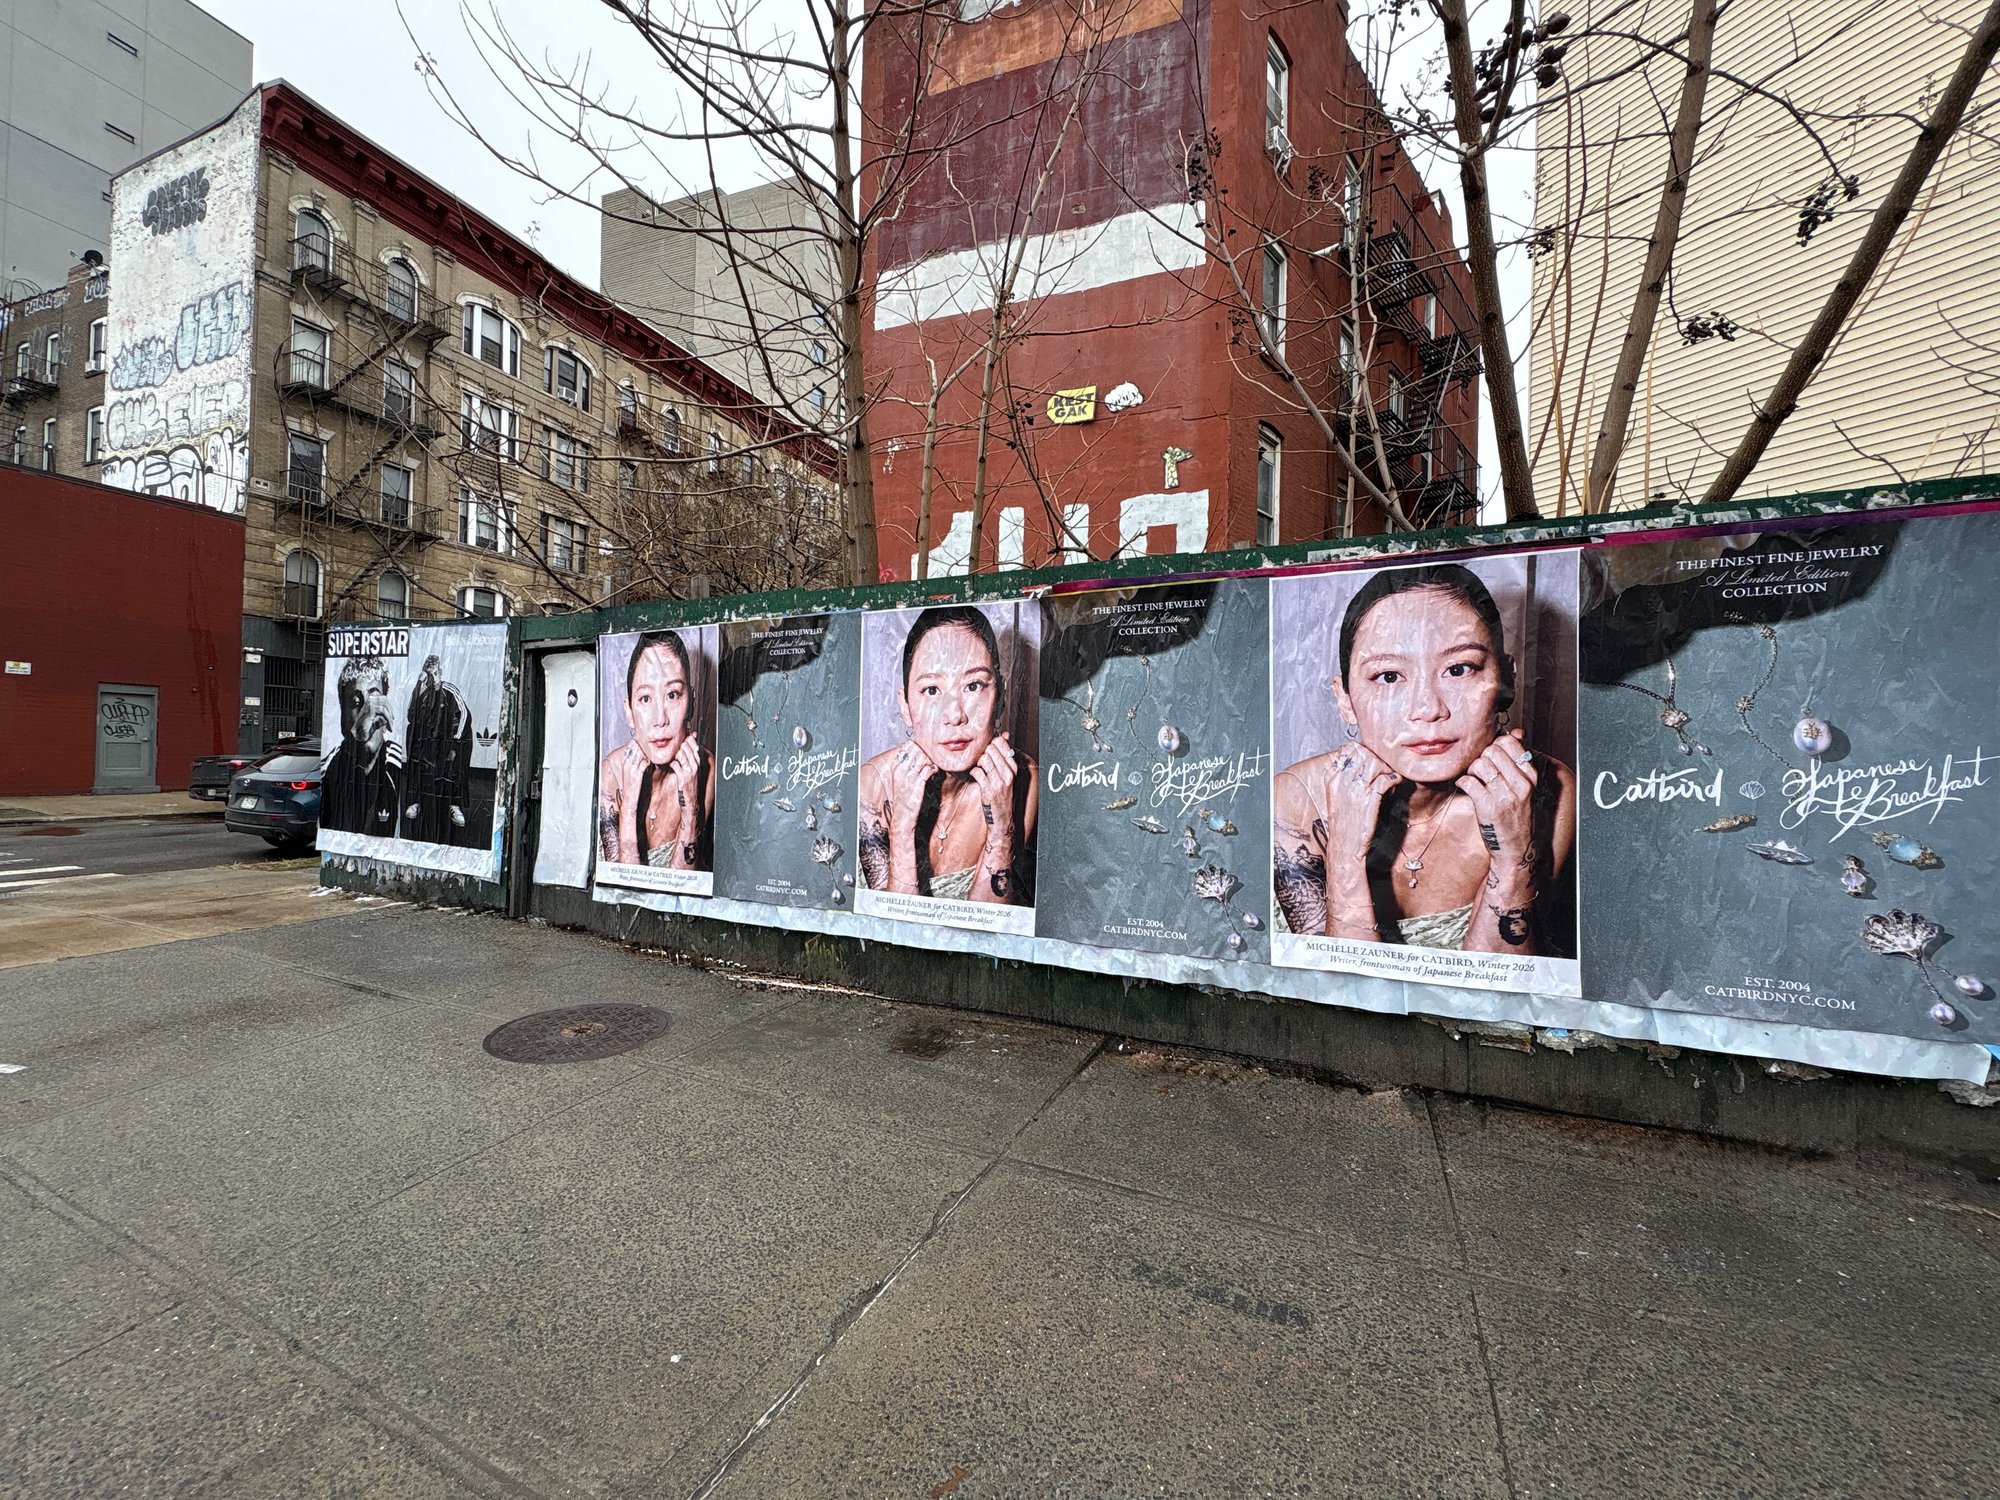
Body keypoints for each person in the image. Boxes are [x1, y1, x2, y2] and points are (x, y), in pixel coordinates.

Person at [1273, 564, 1577, 955]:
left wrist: (1513, 859)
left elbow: (1499, 999)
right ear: (1344, 700)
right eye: (1388, 677)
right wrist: (1345, 857)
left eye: (1458, 669)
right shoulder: (1296, 802)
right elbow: (1339, 1001)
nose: (1428, 709)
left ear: (1506, 681)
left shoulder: (1548, 789)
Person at [858, 606, 1037, 905]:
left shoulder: (1023, 780)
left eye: (973, 685)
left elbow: (984, 936)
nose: (954, 715)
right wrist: (901, 829)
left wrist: (1000, 832)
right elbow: (892, 937)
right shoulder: (873, 786)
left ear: (1001, 697)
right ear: (905, 707)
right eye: (931, 690)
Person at [599, 630, 714, 869]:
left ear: (690, 702)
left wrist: (690, 807)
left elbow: (683, 888)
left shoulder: (707, 769)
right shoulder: (611, 770)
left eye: (672, 695)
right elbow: (622, 889)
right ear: (629, 712)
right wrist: (629, 807)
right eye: (645, 699)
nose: (660, 719)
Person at [320, 654, 404, 836]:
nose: (368, 713)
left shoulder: (401, 768)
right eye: (356, 703)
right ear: (342, 711)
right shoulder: (330, 768)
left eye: (375, 700)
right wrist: (357, 736)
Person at [402, 654, 476, 846]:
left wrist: (455, 741)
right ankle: (416, 800)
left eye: (435, 673)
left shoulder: (449, 690)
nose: (432, 677)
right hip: (430, 743)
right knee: (416, 754)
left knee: (455, 764)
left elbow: (465, 715)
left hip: (451, 741)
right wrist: (419, 685)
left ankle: (455, 804)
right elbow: (412, 715)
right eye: (429, 674)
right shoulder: (424, 695)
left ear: (440, 672)